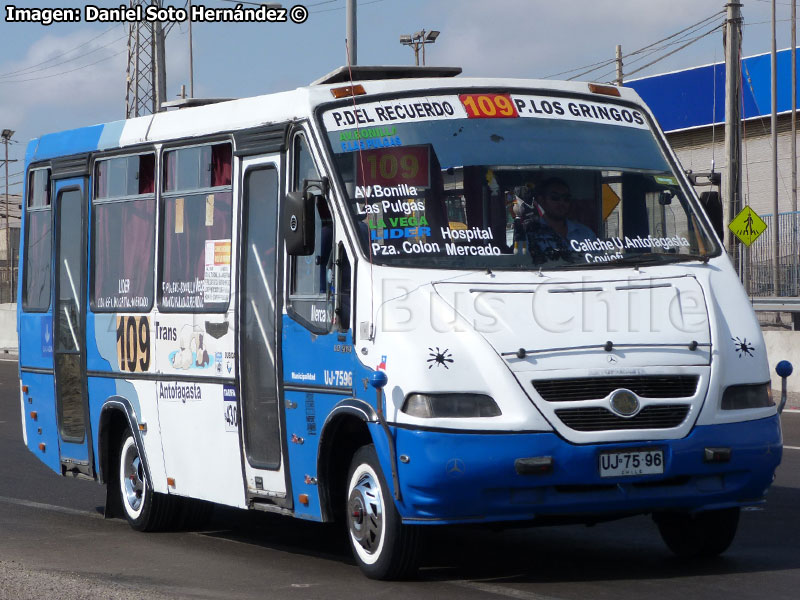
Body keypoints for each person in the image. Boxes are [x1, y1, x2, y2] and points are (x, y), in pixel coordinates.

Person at [525, 177, 594, 257]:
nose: (562, 203)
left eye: (566, 198)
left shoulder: (586, 233)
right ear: (541, 200)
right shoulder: (530, 235)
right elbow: (521, 265)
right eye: (555, 198)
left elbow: (597, 264)